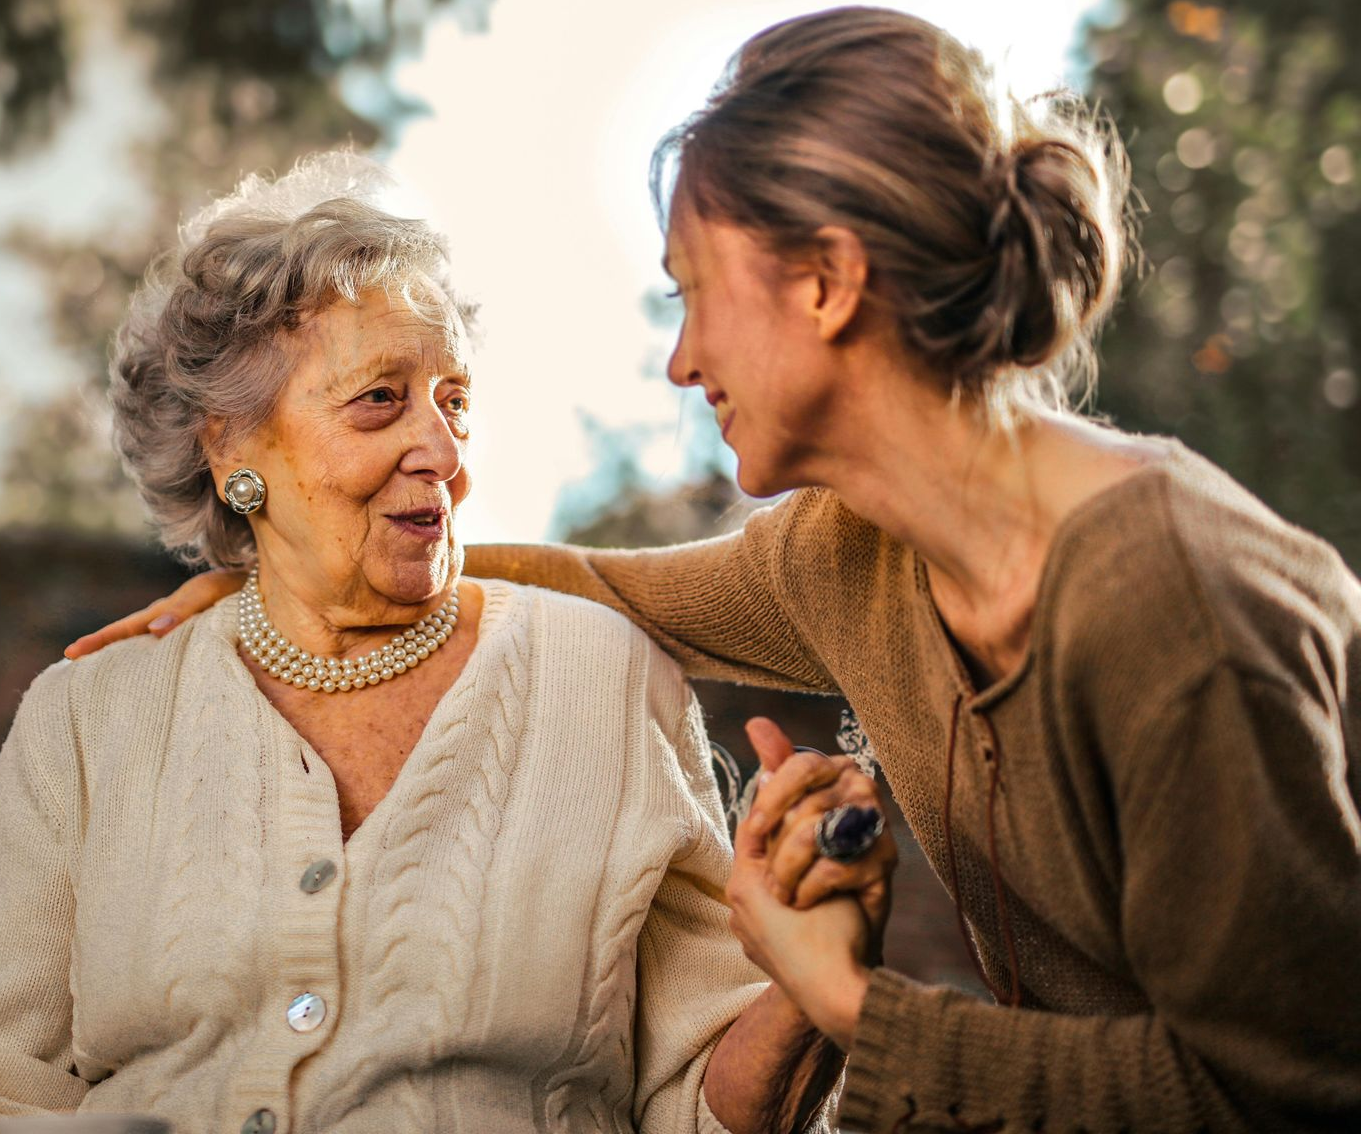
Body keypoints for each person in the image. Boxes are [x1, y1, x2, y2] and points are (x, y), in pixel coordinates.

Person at [68, 6, 1361, 1132]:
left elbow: (1283, 1091)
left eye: (692, 293)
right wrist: (289, 577)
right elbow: (603, 586)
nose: (682, 362)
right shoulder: (851, 554)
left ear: (826, 283)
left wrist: (847, 999)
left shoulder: (1168, 601)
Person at [0, 151, 880, 1133]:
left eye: (453, 401)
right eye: (380, 399)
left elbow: (694, 1104)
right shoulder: (85, 719)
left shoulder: (602, 679)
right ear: (230, 446)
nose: (446, 452)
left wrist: (811, 988)